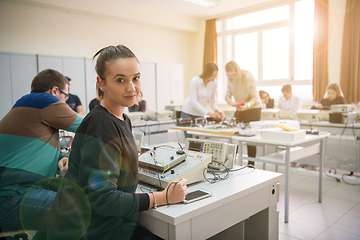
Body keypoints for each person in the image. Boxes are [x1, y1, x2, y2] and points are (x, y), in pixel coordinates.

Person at [47, 45, 188, 240]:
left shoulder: (122, 118)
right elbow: (103, 200)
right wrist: (163, 198)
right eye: (120, 80)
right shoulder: (101, 124)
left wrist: (135, 192)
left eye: (136, 78)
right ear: (101, 83)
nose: (132, 88)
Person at [0, 69, 84, 239]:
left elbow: (33, 146)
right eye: (65, 97)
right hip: (12, 197)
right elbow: (91, 126)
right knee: (81, 212)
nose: (66, 103)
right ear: (55, 91)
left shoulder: (26, 103)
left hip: (14, 194)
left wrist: (63, 157)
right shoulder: (43, 101)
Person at [225, 61, 262, 166]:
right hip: (240, 108)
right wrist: (232, 103)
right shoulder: (230, 80)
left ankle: (251, 164)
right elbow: (227, 95)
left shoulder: (248, 76)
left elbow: (254, 97)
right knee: (235, 136)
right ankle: (230, 163)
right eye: (229, 75)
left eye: (234, 74)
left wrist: (247, 105)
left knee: (250, 138)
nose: (232, 77)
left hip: (253, 108)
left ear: (238, 70)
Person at [180, 61, 223, 126]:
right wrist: (209, 113)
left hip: (200, 114)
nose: (214, 77)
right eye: (213, 75)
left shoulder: (214, 83)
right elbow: (193, 102)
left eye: (216, 75)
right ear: (207, 73)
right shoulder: (195, 81)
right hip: (188, 113)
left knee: (200, 135)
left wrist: (217, 111)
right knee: (189, 135)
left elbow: (212, 102)